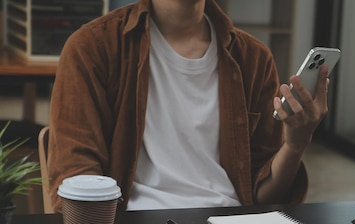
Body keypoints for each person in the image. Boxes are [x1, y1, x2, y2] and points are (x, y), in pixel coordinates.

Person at [47, 0, 330, 212]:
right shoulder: (93, 47)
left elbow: (263, 197)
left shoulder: (253, 59)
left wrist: (295, 145)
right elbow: (76, 180)